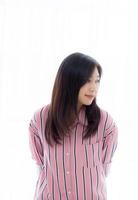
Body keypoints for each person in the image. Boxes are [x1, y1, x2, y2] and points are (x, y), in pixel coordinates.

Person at [28, 52, 118, 200]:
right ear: (70, 81)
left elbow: (104, 169)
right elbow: (40, 164)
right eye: (87, 81)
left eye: (97, 81)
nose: (93, 88)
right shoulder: (40, 119)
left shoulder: (105, 123)